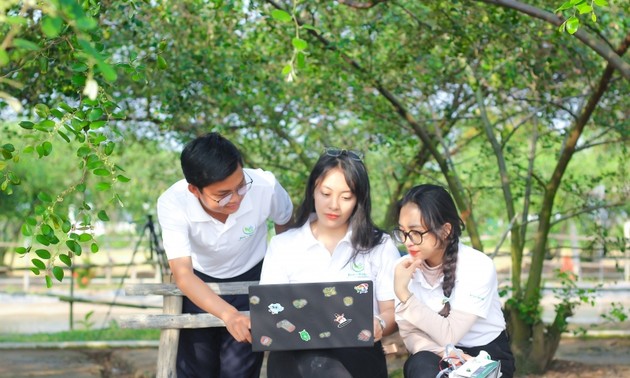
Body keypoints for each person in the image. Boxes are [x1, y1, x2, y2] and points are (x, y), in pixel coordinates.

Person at [156, 132, 293, 378]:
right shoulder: (173, 202)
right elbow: (184, 275)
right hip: (199, 283)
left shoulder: (266, 186)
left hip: (252, 278)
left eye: (240, 186)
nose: (236, 198)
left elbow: (286, 228)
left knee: (238, 371)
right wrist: (229, 315)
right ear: (194, 190)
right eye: (222, 195)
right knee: (197, 369)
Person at [259, 148, 401, 378]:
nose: (334, 205)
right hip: (295, 353)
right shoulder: (283, 245)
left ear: (359, 199)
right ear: (313, 189)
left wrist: (380, 323)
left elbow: (390, 311)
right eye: (326, 193)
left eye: (346, 197)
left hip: (357, 352)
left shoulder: (379, 245)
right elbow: (271, 312)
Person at [392, 184, 515, 378]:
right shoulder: (402, 269)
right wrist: (447, 354)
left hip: (485, 354)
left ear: (445, 230)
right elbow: (410, 334)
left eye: (416, 232)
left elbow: (449, 334)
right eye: (403, 232)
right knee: (420, 365)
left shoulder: (477, 265)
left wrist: (405, 296)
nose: (407, 241)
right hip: (435, 352)